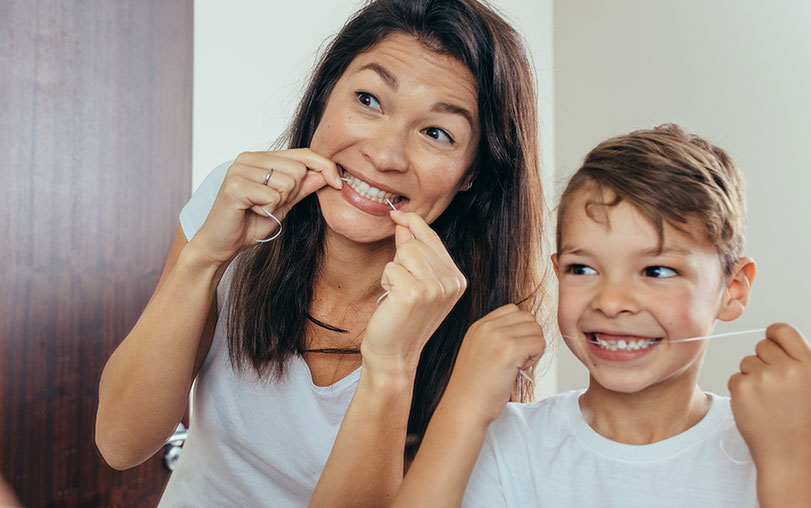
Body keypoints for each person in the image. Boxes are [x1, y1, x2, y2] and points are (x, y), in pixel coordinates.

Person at [94, 0, 546, 506]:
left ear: (472, 175)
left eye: (436, 133)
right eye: (369, 100)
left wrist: (393, 363)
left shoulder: (480, 329)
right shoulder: (236, 201)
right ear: (324, 97)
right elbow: (121, 441)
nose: (384, 154)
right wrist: (203, 260)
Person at [393, 124, 811, 507]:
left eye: (657, 270)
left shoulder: (770, 445)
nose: (611, 300)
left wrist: (795, 459)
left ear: (732, 290)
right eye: (583, 269)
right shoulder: (509, 441)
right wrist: (463, 408)